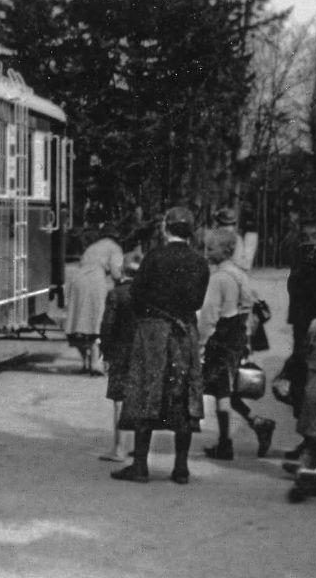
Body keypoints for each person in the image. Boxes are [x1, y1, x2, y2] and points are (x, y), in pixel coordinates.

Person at [112, 206, 210, 485]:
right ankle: (181, 468)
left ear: (166, 228)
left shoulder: (154, 258)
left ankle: (140, 466)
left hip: (152, 333)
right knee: (184, 396)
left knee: (147, 391)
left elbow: (136, 296)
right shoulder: (199, 262)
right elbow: (198, 302)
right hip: (184, 332)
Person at [198, 229, 276, 459]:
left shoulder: (219, 278)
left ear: (225, 251)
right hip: (237, 338)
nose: (206, 252)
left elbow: (209, 315)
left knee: (216, 388)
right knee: (224, 388)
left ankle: (226, 442)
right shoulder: (239, 274)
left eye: (211, 248)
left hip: (221, 338)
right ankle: (256, 424)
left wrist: (200, 343)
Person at [283, 217, 316, 459]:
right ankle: (312, 444)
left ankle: (314, 446)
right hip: (310, 332)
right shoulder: (304, 262)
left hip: (313, 334)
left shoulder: (305, 263)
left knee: (309, 389)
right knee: (307, 388)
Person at [98, 250, 141, 462]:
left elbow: (107, 327)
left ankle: (119, 449)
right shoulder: (149, 294)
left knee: (119, 401)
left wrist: (105, 353)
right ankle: (136, 446)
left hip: (121, 352)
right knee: (141, 398)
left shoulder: (116, 294)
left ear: (123, 270)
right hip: (144, 351)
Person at [65, 224, 124, 375]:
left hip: (76, 280)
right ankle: (95, 364)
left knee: (78, 323)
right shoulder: (114, 248)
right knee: (95, 324)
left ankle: (85, 362)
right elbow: (117, 273)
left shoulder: (92, 247)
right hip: (94, 281)